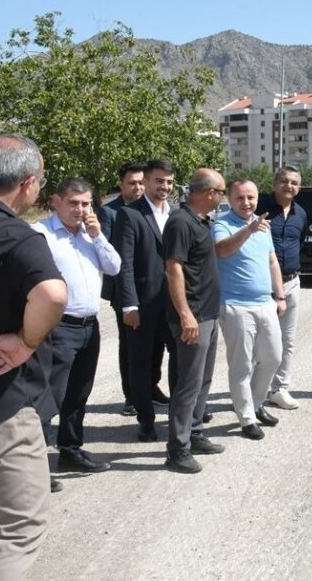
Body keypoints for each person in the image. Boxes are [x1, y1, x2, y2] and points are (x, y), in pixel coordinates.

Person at [0, 133, 67, 579]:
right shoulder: (16, 237)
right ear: (27, 184)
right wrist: (25, 343)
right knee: (15, 532)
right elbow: (51, 293)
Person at [32, 178, 121, 479]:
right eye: (73, 203)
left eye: (85, 204)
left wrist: (97, 236)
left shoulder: (89, 235)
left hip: (89, 327)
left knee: (78, 394)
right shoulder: (41, 233)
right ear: (56, 201)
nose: (80, 210)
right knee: (49, 397)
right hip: (58, 327)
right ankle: (34, 467)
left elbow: (114, 267)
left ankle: (70, 451)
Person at [163, 168, 227, 473]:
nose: (222, 198)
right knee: (188, 383)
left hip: (208, 313)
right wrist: (185, 314)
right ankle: (178, 448)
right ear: (209, 193)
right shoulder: (180, 222)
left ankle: (196, 431)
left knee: (203, 379)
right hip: (194, 316)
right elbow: (173, 269)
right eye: (222, 192)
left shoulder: (201, 221)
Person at [113, 159, 179, 442]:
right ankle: (146, 421)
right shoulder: (129, 215)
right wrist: (129, 304)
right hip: (141, 305)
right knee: (139, 364)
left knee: (180, 359)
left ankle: (180, 415)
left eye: (169, 182)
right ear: (147, 182)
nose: (164, 187)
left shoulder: (177, 214)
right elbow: (124, 263)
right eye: (159, 181)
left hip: (173, 304)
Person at [214, 180, 287, 440]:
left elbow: (271, 261)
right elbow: (222, 251)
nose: (246, 203)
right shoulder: (222, 223)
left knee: (273, 357)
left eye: (251, 197)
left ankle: (256, 405)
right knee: (241, 364)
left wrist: (279, 295)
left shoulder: (262, 224)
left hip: (265, 303)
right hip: (235, 305)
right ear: (230, 200)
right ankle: (246, 417)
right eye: (240, 198)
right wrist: (248, 230)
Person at [99, 161, 167, 417]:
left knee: (157, 343)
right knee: (130, 346)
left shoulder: (156, 209)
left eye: (141, 182)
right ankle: (131, 396)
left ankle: (151, 387)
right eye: (132, 183)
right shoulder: (111, 212)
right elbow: (109, 255)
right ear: (121, 184)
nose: (138, 187)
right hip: (126, 290)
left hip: (153, 289)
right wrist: (127, 297)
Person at [257, 166, 307, 411]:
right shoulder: (260, 210)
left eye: (294, 183)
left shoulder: (301, 214)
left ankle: (279, 389)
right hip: (261, 285)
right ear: (275, 183)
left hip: (292, 282)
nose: (289, 186)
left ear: (299, 187)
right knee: (260, 342)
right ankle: (252, 393)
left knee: (287, 340)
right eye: (285, 181)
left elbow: (301, 243)